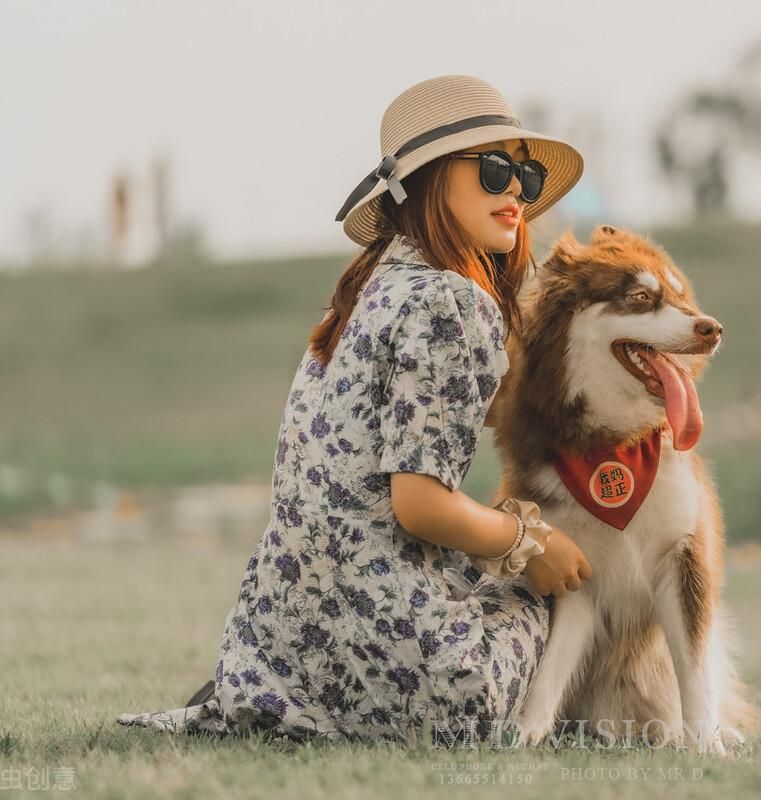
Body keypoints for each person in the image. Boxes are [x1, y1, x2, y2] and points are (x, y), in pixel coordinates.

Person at [116, 74, 593, 745]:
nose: (515, 189)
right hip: (407, 664)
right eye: (492, 169)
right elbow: (419, 505)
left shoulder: (366, 290)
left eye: (523, 176)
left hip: (278, 652)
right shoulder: (452, 302)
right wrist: (528, 543)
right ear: (428, 178)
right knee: (555, 597)